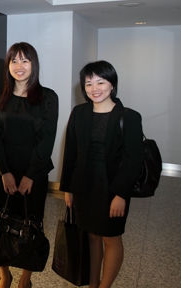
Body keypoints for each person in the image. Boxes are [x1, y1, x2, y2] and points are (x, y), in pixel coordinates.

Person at [60, 61, 145, 288]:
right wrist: (68, 188)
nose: (94, 88)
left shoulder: (129, 117)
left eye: (100, 82)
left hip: (111, 187)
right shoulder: (79, 113)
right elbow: (70, 154)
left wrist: (121, 195)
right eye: (88, 83)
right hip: (84, 186)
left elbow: (133, 162)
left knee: (110, 238)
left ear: (112, 84)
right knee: (91, 236)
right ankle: (93, 283)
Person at [0, 42, 59, 288]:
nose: (19, 66)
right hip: (4, 170)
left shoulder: (48, 97)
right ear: (8, 65)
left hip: (34, 171)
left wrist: (30, 175)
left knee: (32, 222)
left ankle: (25, 276)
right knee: (2, 220)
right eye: (14, 61)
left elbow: (47, 139)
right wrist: (4, 171)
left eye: (25, 61)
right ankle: (4, 273)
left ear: (33, 65)